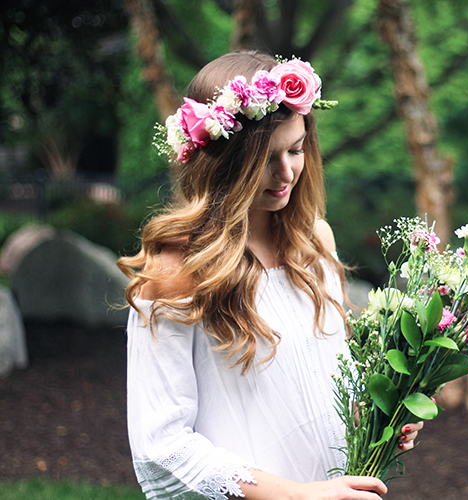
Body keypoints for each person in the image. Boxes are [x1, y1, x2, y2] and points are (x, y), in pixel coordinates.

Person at [118, 50, 421, 500]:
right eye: (266, 158)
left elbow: (325, 377)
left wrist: (377, 415)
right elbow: (163, 445)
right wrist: (300, 495)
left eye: (296, 149)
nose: (286, 173)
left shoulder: (315, 242)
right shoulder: (175, 271)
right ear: (223, 162)